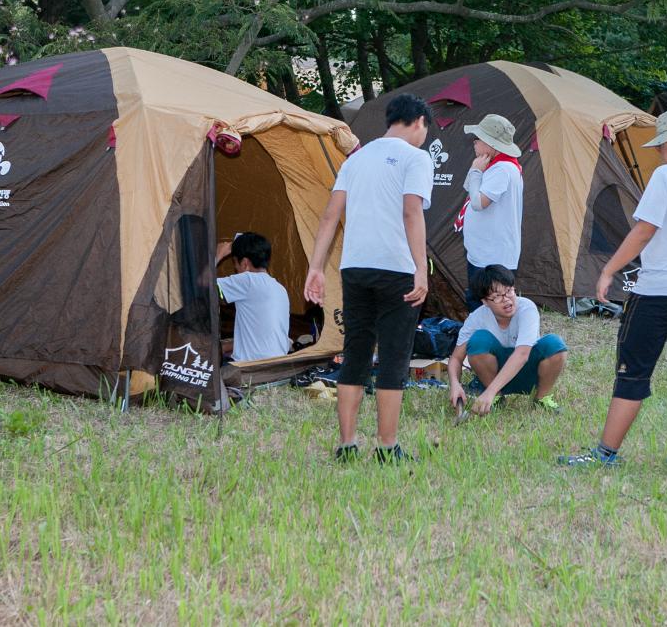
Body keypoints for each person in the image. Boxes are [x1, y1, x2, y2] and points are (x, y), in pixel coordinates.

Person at [557, 107, 667, 473]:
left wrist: (608, 269)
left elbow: (644, 229)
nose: (658, 153)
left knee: (633, 370)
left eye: (660, 146)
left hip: (659, 290)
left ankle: (605, 453)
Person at [305, 93, 434, 464]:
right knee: (394, 355)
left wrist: (316, 267)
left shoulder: (356, 158)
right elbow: (412, 214)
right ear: (419, 122)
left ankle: (346, 445)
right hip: (397, 269)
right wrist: (420, 270)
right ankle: (386, 446)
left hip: (355, 267)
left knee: (356, 353)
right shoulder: (416, 158)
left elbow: (330, 216)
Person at [447, 265, 566, 414]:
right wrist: (455, 384)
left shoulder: (526, 308)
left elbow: (522, 354)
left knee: (555, 345)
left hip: (529, 371)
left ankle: (541, 398)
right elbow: (456, 359)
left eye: (509, 291)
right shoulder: (477, 318)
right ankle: (497, 397)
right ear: (485, 301)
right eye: (497, 297)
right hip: (495, 374)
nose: (507, 300)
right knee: (478, 341)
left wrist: (488, 392)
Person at [457, 113, 524, 311]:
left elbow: (478, 202)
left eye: (477, 140)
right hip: (484, 252)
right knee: (480, 301)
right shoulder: (495, 166)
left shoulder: (502, 169)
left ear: (490, 144)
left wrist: (477, 171)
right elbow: (469, 187)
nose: (474, 144)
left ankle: (489, 340)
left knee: (489, 305)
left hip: (493, 255)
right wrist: (476, 169)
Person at [214, 232, 291, 363]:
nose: (235, 268)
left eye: (235, 263)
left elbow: (203, 286)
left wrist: (218, 255)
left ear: (245, 263)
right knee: (225, 347)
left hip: (250, 368)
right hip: (276, 366)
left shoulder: (248, 280)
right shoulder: (280, 288)